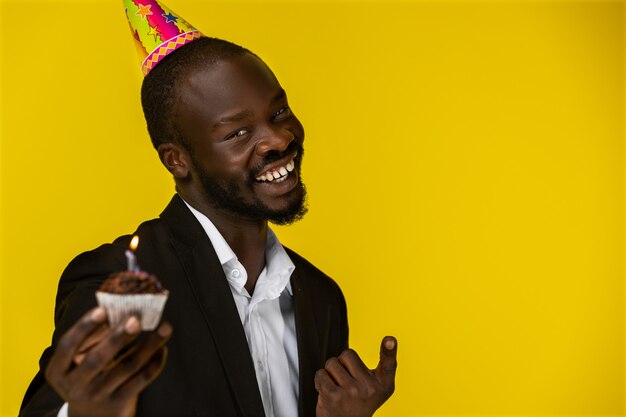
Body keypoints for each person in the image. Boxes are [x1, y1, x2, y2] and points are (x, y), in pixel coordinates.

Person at [19, 2, 397, 417]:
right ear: (177, 160)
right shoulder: (124, 288)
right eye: (238, 132)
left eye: (279, 111)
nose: (278, 138)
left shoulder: (321, 299)